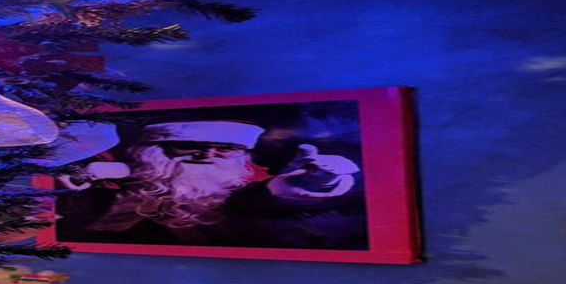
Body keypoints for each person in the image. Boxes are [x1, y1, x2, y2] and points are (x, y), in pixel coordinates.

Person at [55, 120, 367, 249]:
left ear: (239, 154)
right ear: (158, 151)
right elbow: (73, 180)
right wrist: (87, 173)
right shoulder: (128, 175)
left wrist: (323, 181)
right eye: (190, 147)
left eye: (224, 149)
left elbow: (275, 198)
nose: (207, 155)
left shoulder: (253, 183)